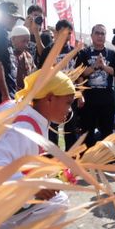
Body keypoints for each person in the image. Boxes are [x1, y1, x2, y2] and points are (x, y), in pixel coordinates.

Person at [0, 70, 77, 229]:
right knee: (59, 203)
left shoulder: (31, 116)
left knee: (54, 190)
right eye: (67, 102)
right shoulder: (26, 127)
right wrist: (35, 186)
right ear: (49, 98)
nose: (69, 110)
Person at [77, 24, 115, 146]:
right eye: (97, 33)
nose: (100, 36)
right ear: (92, 35)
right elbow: (79, 74)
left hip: (107, 99)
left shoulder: (111, 53)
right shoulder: (84, 53)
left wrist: (104, 66)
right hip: (89, 100)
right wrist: (95, 67)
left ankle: (105, 160)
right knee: (87, 133)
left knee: (107, 133)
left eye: (102, 34)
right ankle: (86, 161)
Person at [39, 20, 79, 149]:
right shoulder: (47, 51)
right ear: (56, 32)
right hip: (53, 96)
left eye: (69, 33)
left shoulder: (74, 51)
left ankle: (72, 160)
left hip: (70, 95)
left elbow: (79, 74)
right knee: (51, 130)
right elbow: (41, 73)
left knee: (71, 128)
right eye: (63, 32)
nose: (66, 36)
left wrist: (80, 94)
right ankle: (52, 159)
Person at [9, 25, 35, 90]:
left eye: (27, 41)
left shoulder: (28, 56)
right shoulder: (6, 56)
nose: (26, 45)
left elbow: (33, 75)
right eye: (23, 41)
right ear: (13, 39)